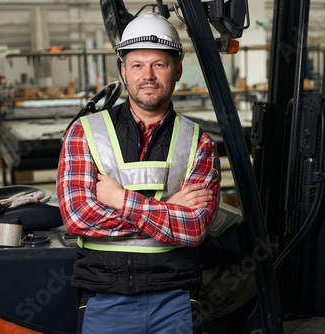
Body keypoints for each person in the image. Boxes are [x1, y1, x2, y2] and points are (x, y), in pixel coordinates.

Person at [57, 12, 221, 334]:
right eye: (137, 65)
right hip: (104, 296)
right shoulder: (84, 132)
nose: (148, 75)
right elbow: (78, 217)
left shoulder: (198, 141)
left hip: (175, 297)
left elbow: (195, 228)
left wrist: (119, 199)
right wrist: (170, 210)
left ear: (177, 70)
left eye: (159, 64)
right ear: (123, 71)